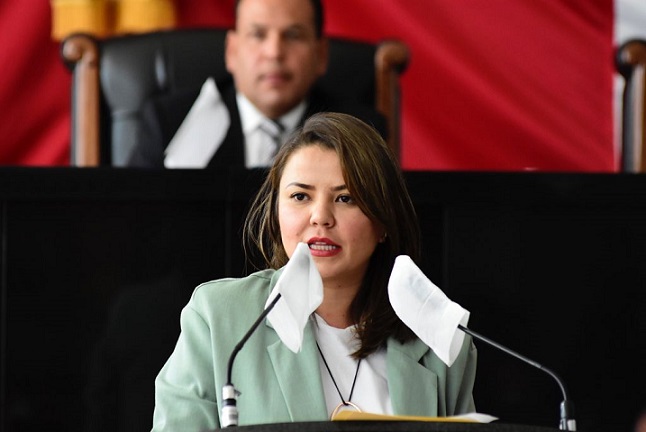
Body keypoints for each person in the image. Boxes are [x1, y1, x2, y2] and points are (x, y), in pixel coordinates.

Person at [151, 112, 477, 430]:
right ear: (276, 212)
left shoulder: (439, 337)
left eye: (346, 198)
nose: (320, 216)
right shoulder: (219, 317)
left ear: (383, 222)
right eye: (300, 196)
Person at [128, 0, 384, 169]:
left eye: (293, 35)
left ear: (321, 55)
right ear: (231, 51)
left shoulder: (362, 133)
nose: (274, 53)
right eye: (258, 35)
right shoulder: (171, 123)